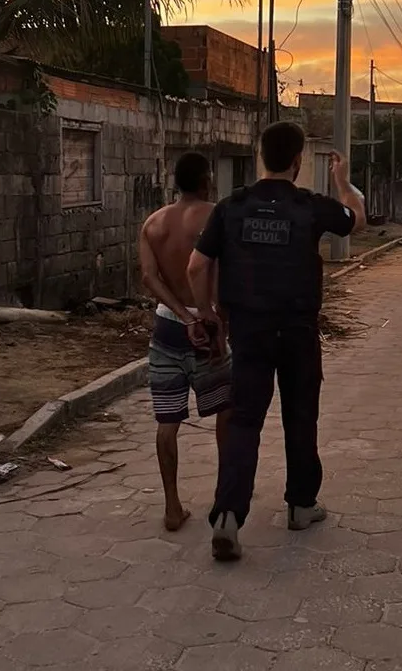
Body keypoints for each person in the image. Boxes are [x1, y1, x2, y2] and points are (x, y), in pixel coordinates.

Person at [187, 121, 366, 562]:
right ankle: (301, 506)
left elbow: (196, 266)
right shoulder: (311, 206)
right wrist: (343, 182)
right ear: (298, 160)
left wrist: (208, 315)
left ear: (260, 156)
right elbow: (355, 219)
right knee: (300, 417)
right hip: (298, 331)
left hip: (249, 331)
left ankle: (228, 514)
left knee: (244, 421)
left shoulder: (231, 207)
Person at [138, 152, 232, 532]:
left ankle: (172, 506)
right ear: (206, 179)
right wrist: (210, 316)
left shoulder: (153, 223)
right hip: (209, 328)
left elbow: (148, 277)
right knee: (225, 412)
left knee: (167, 420)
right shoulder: (216, 215)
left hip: (167, 329)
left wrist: (181, 313)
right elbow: (225, 271)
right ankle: (224, 497)